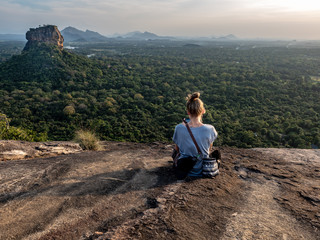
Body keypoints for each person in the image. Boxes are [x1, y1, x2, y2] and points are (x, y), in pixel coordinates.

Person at [172, 92, 218, 179]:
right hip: (204, 170)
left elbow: (177, 149)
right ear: (203, 111)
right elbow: (209, 149)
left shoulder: (179, 128)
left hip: (184, 170)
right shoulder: (210, 129)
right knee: (216, 154)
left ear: (188, 112)